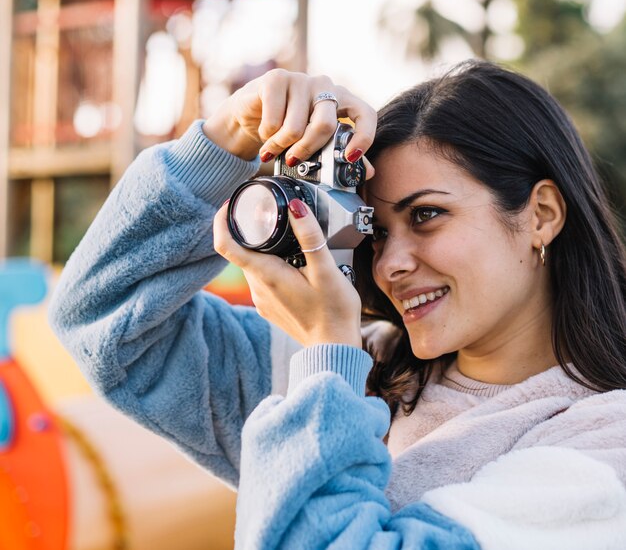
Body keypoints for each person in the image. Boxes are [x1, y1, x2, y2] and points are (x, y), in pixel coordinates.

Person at [49, 60, 626, 550]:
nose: (389, 264)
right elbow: (103, 318)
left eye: (426, 215)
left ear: (541, 215)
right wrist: (228, 139)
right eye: (376, 231)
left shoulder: (602, 445)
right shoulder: (360, 362)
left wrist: (326, 358)